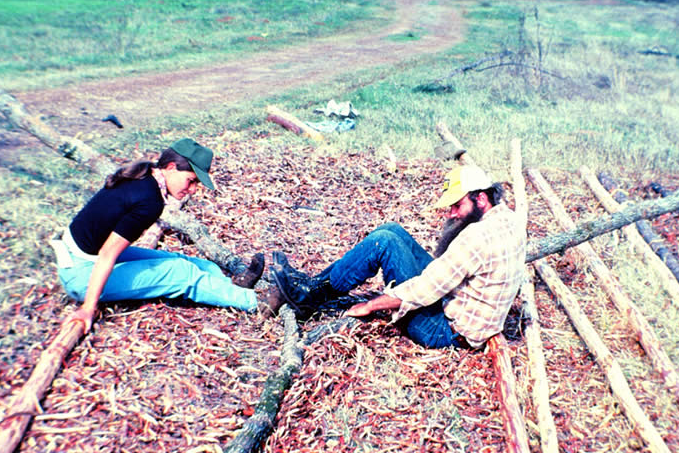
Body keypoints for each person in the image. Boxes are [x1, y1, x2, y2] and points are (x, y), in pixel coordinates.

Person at [268, 164, 526, 349]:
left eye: (458, 205)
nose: (452, 214)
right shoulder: (510, 219)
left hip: (441, 329)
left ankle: (309, 296)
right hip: (458, 302)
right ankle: (314, 287)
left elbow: (424, 290)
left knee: (385, 241)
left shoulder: (477, 237)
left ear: (481, 198)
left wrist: (370, 306)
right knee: (392, 230)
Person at [54, 138, 266, 333]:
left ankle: (232, 286)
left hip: (85, 256)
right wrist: (88, 308)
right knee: (182, 273)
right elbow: (108, 253)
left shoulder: (145, 175)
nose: (193, 190)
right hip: (81, 275)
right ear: (172, 168)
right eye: (191, 180)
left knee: (184, 261)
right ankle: (255, 302)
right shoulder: (149, 201)